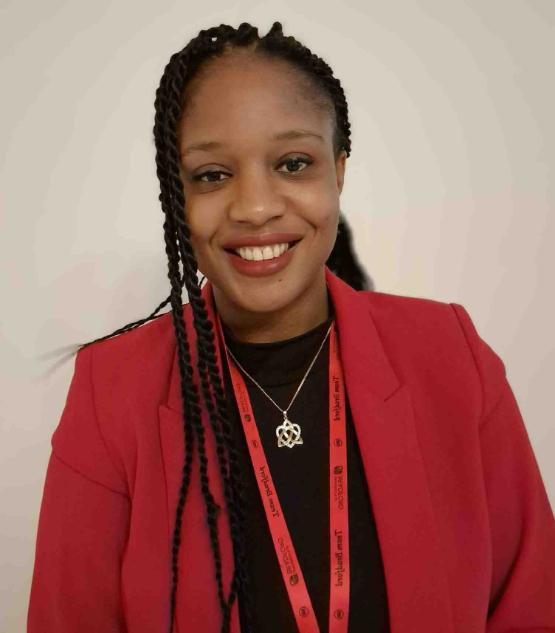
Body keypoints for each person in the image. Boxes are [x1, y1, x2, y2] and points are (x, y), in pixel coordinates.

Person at [27, 20, 555, 633]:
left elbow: (534, 607)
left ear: (339, 171)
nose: (255, 206)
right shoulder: (111, 392)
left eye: (293, 162)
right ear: (178, 197)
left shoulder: (450, 355)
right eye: (212, 175)